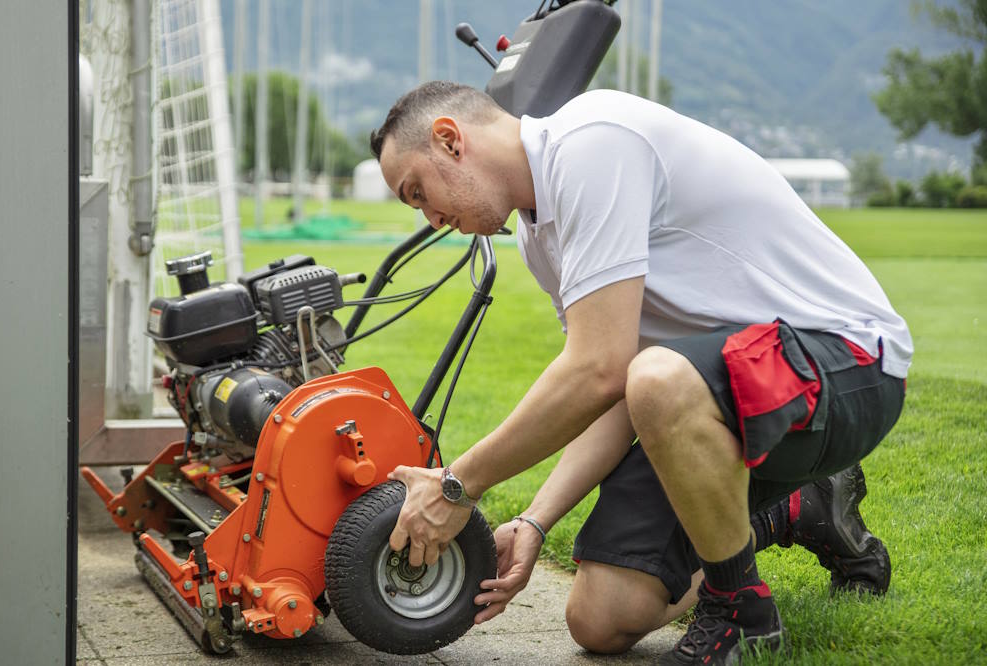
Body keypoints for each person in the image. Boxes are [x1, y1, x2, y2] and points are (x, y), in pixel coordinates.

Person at [371, 81, 910, 664]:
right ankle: (796, 505)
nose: (430, 217)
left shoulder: (592, 140)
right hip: (725, 390)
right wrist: (534, 520)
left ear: (450, 140)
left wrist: (458, 484)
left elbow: (603, 371)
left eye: (419, 192)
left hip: (846, 363)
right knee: (600, 618)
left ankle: (742, 612)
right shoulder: (537, 234)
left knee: (657, 378)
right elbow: (608, 388)